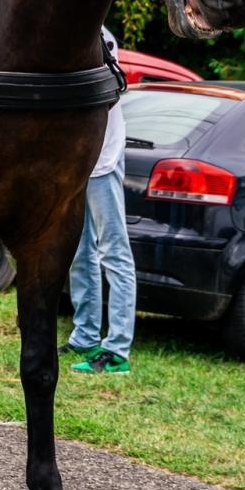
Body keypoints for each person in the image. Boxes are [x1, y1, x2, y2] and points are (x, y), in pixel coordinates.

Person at [66, 26, 137, 375]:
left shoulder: (99, 37)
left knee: (114, 250)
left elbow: (104, 94)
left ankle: (118, 348)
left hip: (103, 157)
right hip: (78, 160)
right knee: (80, 251)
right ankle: (85, 336)